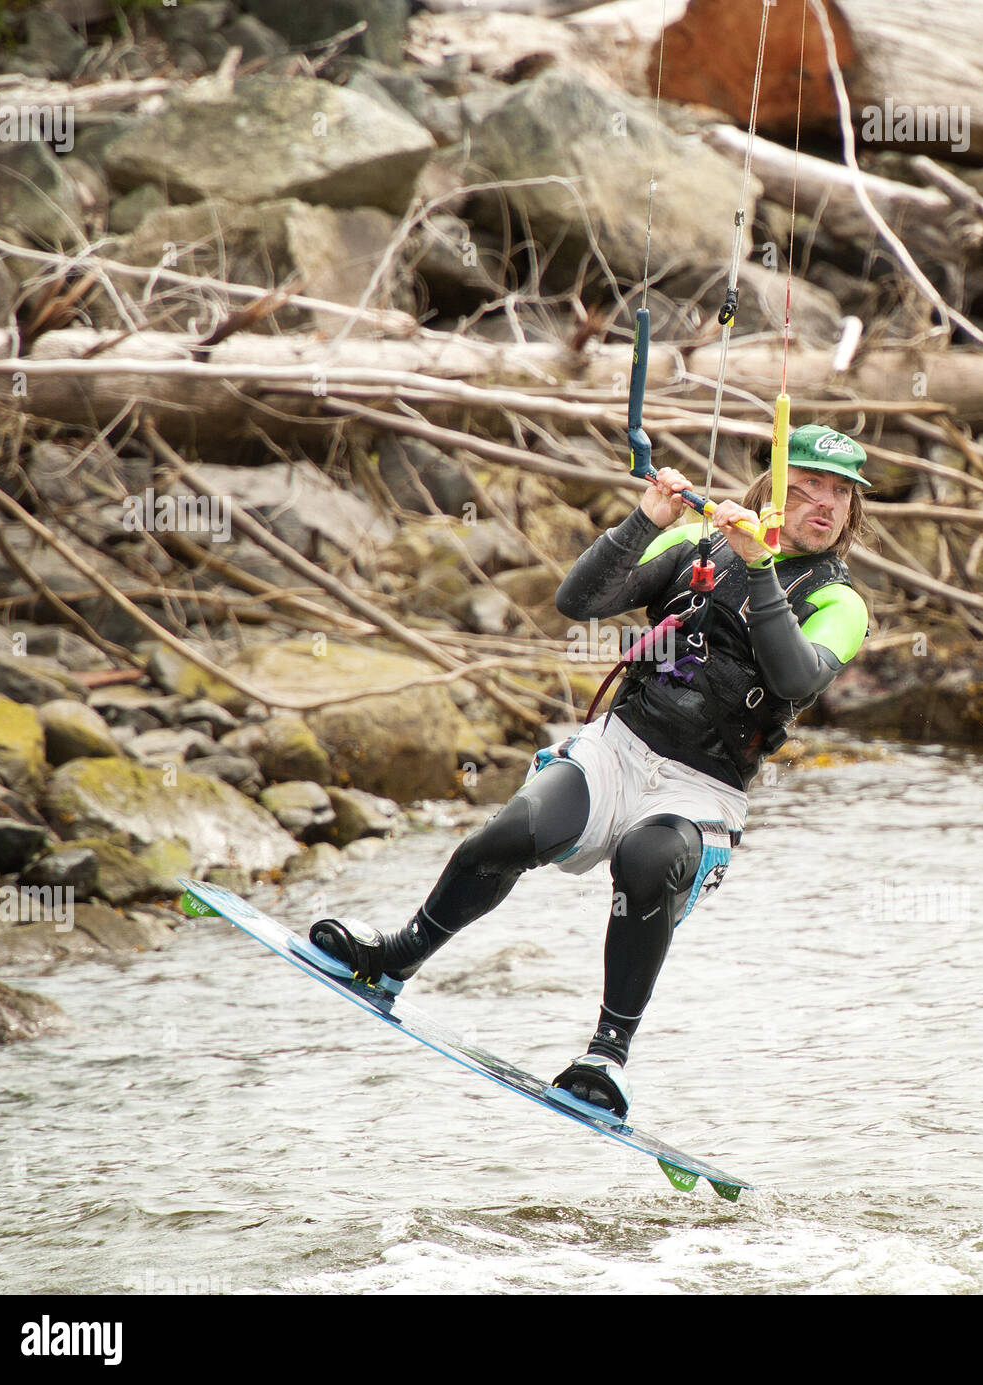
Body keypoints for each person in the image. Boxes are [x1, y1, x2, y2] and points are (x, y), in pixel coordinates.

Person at [307, 425, 872, 1119]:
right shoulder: (699, 543)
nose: (825, 501)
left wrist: (761, 567)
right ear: (772, 486)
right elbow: (578, 602)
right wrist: (645, 520)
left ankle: (607, 1054)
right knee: (511, 832)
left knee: (646, 859)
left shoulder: (842, 603)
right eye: (809, 484)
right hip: (619, 747)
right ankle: (395, 958)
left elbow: (793, 677)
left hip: (702, 792)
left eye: (841, 493)